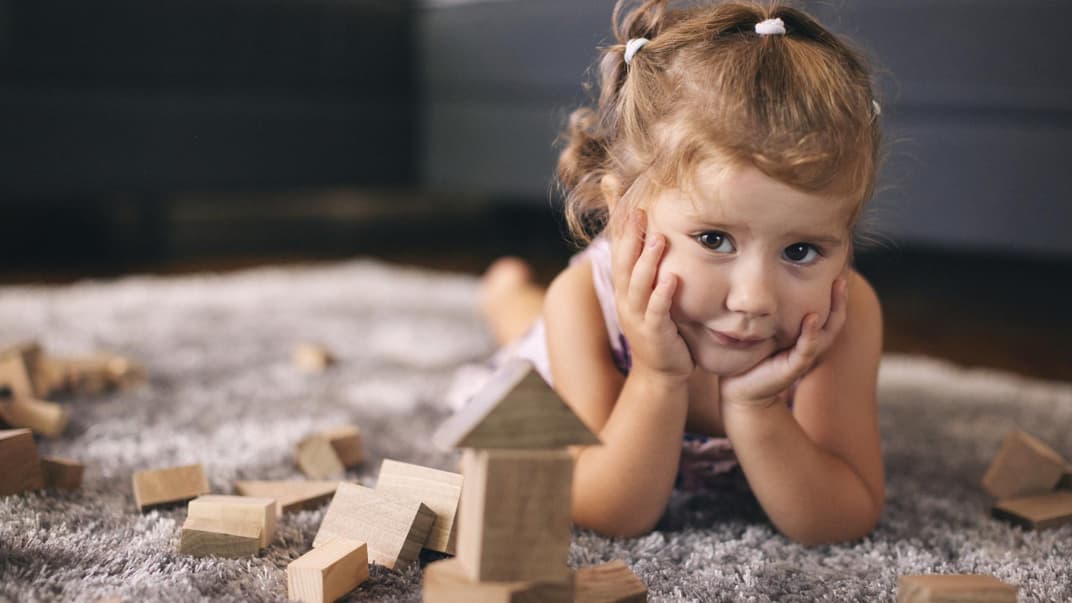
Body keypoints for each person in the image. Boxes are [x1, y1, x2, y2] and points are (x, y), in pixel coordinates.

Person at [469, 0, 885, 546]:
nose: (755, 299)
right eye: (714, 240)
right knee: (528, 329)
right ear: (623, 215)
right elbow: (607, 510)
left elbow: (844, 517)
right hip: (573, 341)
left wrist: (755, 407)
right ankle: (504, 291)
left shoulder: (842, 314)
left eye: (801, 250)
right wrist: (656, 377)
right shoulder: (584, 301)